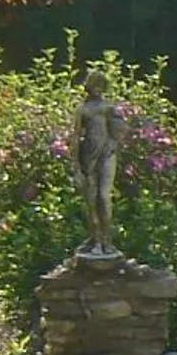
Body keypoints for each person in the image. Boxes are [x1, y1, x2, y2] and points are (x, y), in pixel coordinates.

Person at [72, 71, 121, 255]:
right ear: (89, 87)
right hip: (88, 157)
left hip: (107, 156)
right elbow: (76, 137)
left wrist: (112, 144)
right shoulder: (82, 109)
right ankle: (96, 239)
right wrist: (76, 166)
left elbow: (118, 131)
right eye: (95, 85)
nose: (98, 89)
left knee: (103, 196)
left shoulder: (109, 107)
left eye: (101, 85)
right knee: (91, 200)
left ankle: (107, 240)